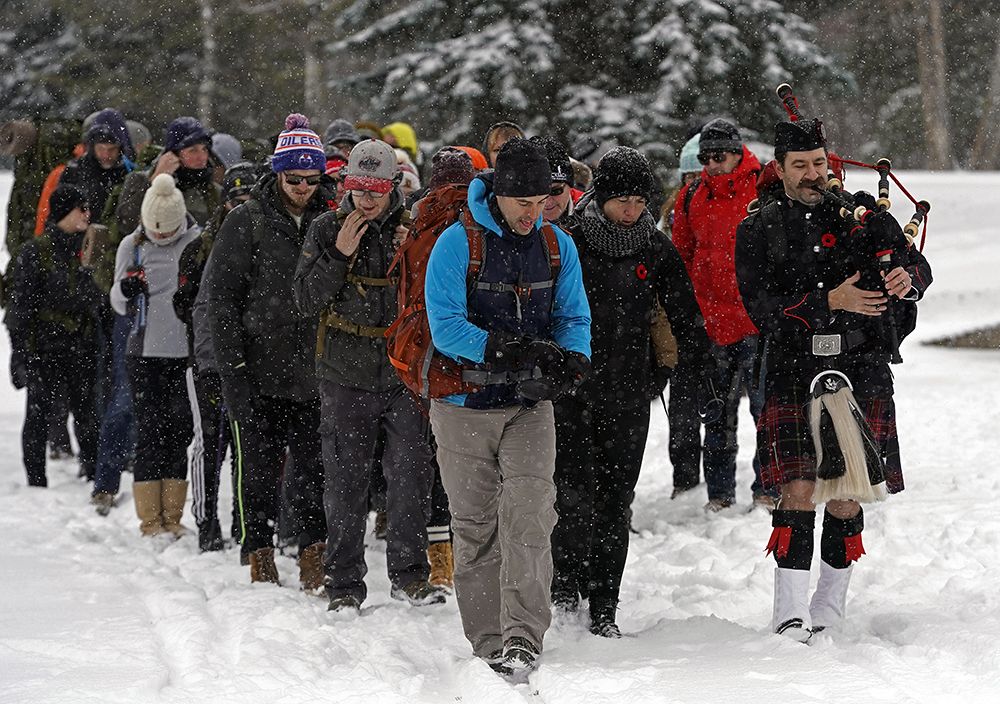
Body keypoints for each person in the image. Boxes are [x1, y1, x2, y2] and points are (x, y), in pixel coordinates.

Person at [735, 117, 932, 641]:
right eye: (799, 166)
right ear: (778, 169)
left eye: (819, 163)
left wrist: (905, 278)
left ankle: (829, 606)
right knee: (797, 488)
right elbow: (762, 310)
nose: (812, 174)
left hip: (861, 366)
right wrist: (830, 301)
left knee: (848, 493)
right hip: (794, 367)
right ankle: (789, 611)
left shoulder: (861, 217)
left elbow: (919, 268)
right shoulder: (757, 228)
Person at [424, 138, 591, 675]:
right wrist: (503, 347)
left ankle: (523, 635)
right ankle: (487, 639)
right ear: (498, 193)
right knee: (475, 526)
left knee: (531, 515)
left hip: (527, 405)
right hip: (463, 403)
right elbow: (445, 324)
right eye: (523, 201)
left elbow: (574, 317)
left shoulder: (557, 245)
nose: (533, 212)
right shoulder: (457, 243)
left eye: (542, 201)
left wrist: (575, 359)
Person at [550, 147, 710, 637]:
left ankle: (605, 602)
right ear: (601, 196)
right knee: (570, 496)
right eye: (622, 200)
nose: (632, 210)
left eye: (640, 201)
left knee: (616, 501)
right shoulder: (570, 240)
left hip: (630, 394)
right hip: (570, 393)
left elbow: (686, 316)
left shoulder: (654, 248)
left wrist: (696, 374)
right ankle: (564, 581)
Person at [293, 138, 444, 612]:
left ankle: (410, 575)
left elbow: (436, 295)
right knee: (345, 481)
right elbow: (303, 300)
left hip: (401, 370)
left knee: (409, 476)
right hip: (343, 371)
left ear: (394, 186)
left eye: (376, 189)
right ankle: (343, 585)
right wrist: (338, 255)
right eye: (358, 188)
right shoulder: (325, 228)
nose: (367, 199)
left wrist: (414, 252)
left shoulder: (413, 226)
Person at [206, 114, 330, 585]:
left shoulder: (330, 217)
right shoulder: (246, 220)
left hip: (316, 367)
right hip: (259, 367)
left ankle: (312, 552)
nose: (302, 187)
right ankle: (258, 549)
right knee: (257, 469)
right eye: (293, 178)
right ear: (277, 174)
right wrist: (232, 367)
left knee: (315, 470)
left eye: (311, 179)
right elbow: (220, 298)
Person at [673, 118, 774, 512]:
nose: (712, 164)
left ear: (738, 153)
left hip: (757, 323)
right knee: (716, 416)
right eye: (705, 158)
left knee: (766, 413)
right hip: (712, 325)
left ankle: (767, 488)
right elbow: (682, 254)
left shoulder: (763, 188)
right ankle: (719, 495)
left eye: (719, 156)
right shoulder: (692, 196)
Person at [173, 162, 259, 550]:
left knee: (245, 447)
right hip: (207, 359)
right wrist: (209, 358)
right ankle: (207, 523)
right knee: (209, 443)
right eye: (233, 199)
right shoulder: (200, 248)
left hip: (252, 361)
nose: (239, 205)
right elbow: (190, 306)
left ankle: (246, 524)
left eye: (247, 198)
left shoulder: (261, 241)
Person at [110, 174, 200, 535]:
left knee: (179, 432)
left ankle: (174, 517)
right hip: (143, 353)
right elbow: (116, 301)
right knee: (149, 432)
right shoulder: (131, 245)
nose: (161, 237)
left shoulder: (196, 241)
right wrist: (127, 288)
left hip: (184, 354)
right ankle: (150, 520)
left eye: (168, 232)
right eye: (155, 231)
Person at [5, 184, 102, 487]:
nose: (87, 215)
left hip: (81, 346)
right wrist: (20, 354)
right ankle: (36, 482)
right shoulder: (35, 252)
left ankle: (92, 474)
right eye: (80, 209)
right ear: (64, 212)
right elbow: (18, 310)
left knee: (86, 414)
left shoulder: (89, 248)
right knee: (38, 416)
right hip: (44, 348)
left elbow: (99, 302)